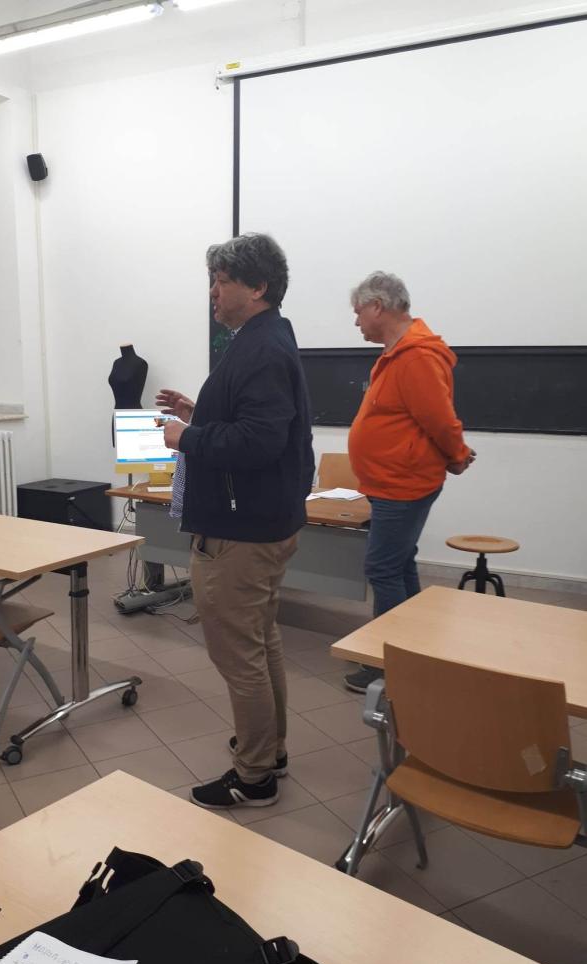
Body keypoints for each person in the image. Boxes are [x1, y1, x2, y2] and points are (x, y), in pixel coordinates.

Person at [157, 233, 314, 809]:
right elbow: (254, 421)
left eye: (222, 282)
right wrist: (199, 413)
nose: (213, 293)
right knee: (261, 642)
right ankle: (270, 750)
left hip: (239, 532)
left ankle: (254, 777)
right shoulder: (264, 338)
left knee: (239, 655)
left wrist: (187, 437)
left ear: (258, 287)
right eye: (212, 281)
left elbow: (259, 441)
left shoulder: (261, 348)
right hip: (258, 521)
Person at [345, 271, 475, 693]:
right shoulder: (397, 353)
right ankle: (414, 651)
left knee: (381, 569)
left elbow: (440, 419)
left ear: (378, 306)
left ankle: (389, 666)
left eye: (358, 312)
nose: (356, 321)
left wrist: (457, 456)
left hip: (402, 485)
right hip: (391, 482)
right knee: (399, 564)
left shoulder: (415, 356)